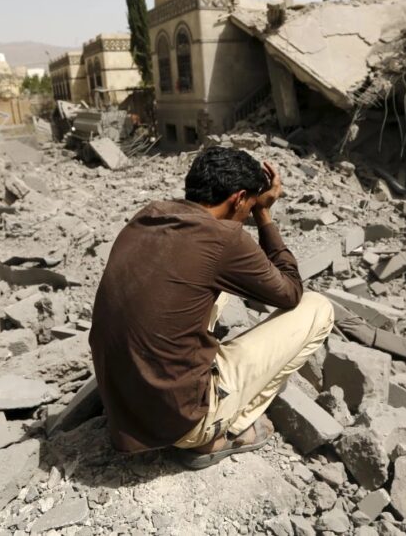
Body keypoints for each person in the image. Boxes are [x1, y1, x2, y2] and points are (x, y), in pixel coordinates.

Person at [89, 146, 334, 469]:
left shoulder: (150, 214)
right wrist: (264, 216)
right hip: (182, 422)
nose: (247, 213)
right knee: (318, 307)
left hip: (121, 406)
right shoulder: (224, 237)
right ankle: (222, 431)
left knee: (214, 288)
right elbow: (290, 293)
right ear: (239, 198)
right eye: (248, 206)